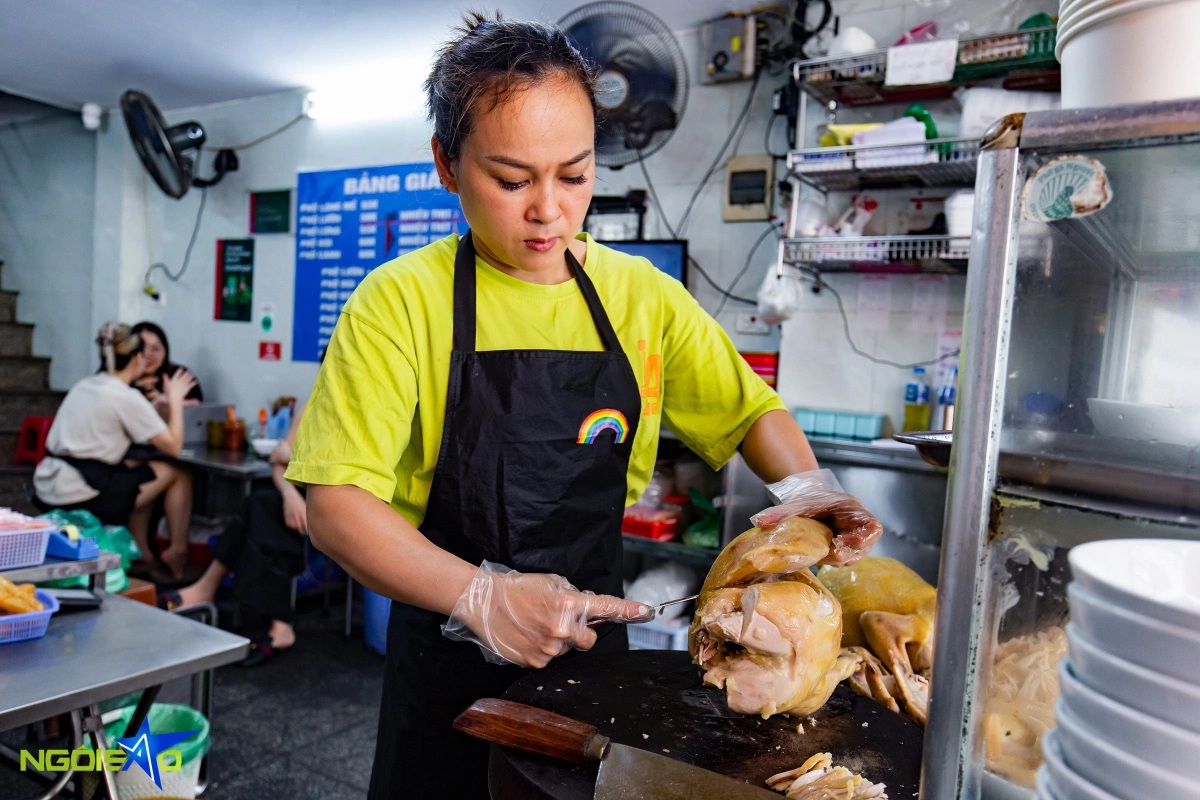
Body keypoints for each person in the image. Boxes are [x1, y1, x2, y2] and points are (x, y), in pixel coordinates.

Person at [285, 14, 882, 799]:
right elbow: (336, 505)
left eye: (574, 175)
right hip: (447, 660)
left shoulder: (642, 298)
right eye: (511, 179)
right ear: (447, 165)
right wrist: (482, 596)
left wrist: (809, 496)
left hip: (594, 658)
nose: (549, 211)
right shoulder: (401, 303)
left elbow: (749, 414)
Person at [34, 323, 196, 579]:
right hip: (80, 494)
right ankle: (177, 551)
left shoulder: (86, 384)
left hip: (47, 483)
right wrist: (175, 399)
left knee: (138, 471)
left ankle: (142, 552)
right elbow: (173, 447)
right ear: (137, 358)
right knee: (177, 473)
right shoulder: (125, 396)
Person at [164, 400, 310, 666]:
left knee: (262, 511)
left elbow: (291, 457)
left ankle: (207, 588)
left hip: (336, 502)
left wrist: (290, 458)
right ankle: (279, 625)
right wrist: (290, 494)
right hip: (299, 496)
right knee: (261, 506)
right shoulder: (315, 401)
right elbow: (279, 465)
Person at [130, 321, 203, 409]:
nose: (147, 354)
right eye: (141, 348)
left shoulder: (180, 377)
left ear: (165, 352)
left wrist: (166, 400)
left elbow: (198, 410)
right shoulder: (121, 377)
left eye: (155, 349)